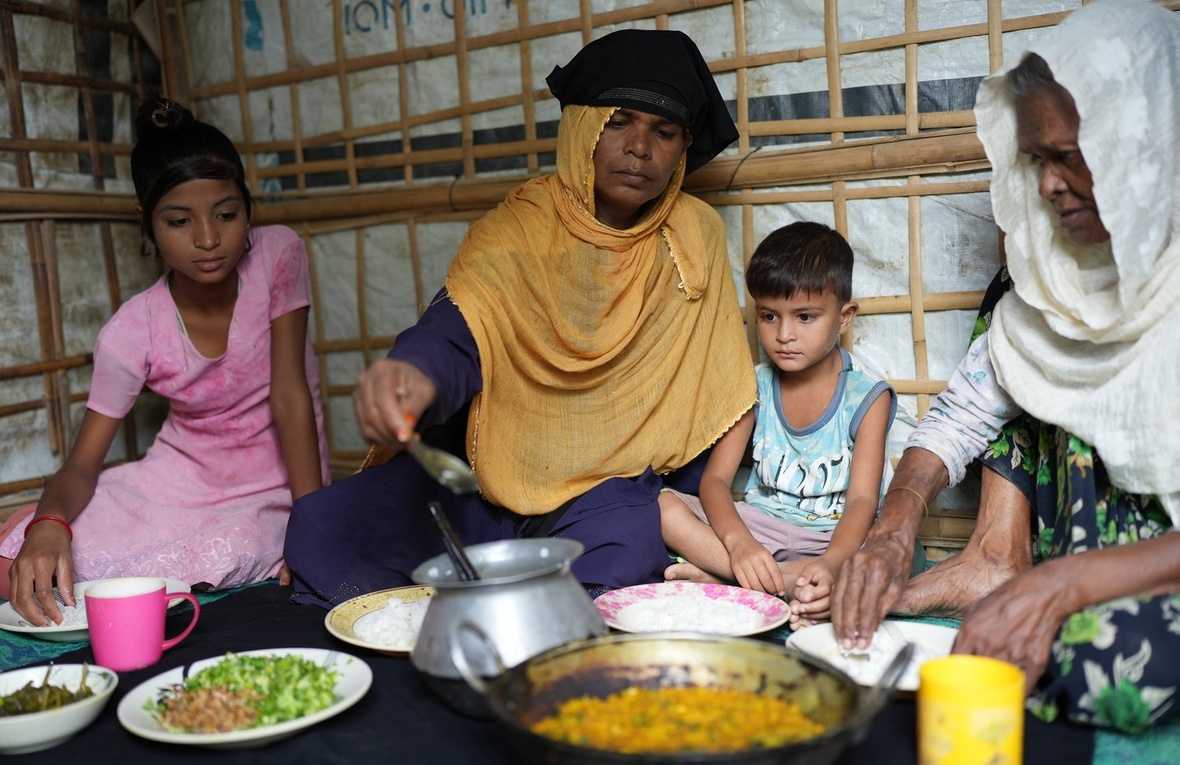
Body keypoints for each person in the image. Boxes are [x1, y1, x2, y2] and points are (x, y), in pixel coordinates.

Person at [283, 29, 756, 607]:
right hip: (487, 484)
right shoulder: (520, 227)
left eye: (665, 132)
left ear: (684, 148)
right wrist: (409, 378)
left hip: (607, 495)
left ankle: (524, 600)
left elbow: (711, 386)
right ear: (582, 125)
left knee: (630, 548)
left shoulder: (691, 234)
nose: (641, 148)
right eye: (619, 121)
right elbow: (457, 335)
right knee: (321, 528)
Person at [832, 0, 1180, 733]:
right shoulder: (1055, 281)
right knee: (1025, 320)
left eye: (1072, 154)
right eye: (1038, 159)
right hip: (1081, 561)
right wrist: (895, 526)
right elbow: (961, 417)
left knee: (1105, 666)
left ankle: (1034, 585)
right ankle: (998, 558)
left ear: (1150, 139)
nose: (1051, 185)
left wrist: (1067, 581)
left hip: (1156, 568)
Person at [0, 98, 330, 625]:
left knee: (234, 550)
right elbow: (84, 464)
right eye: (179, 220)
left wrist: (316, 523)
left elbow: (290, 395)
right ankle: (27, 526)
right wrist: (49, 526)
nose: (207, 238)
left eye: (227, 214)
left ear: (248, 207)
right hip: (174, 484)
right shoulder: (131, 332)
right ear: (147, 224)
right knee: (28, 561)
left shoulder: (277, 255)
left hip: (278, 484)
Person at [659, 222, 903, 629]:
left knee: (892, 554)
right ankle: (783, 583)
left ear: (845, 317)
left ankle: (744, 581)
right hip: (762, 528)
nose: (784, 335)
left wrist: (830, 562)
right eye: (769, 316)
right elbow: (716, 481)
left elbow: (862, 502)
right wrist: (740, 546)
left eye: (805, 317)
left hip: (834, 536)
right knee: (664, 507)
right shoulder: (755, 386)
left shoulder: (868, 398)